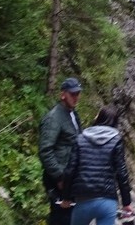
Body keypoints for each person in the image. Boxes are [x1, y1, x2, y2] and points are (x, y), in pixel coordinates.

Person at [63, 105, 134, 225]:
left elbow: (70, 170)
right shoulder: (116, 140)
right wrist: (126, 203)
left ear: (99, 118)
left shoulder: (80, 138)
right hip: (107, 201)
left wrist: (66, 197)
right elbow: (122, 173)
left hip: (83, 199)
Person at [40, 77, 84, 225]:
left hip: (71, 177)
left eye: (78, 93)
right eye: (72, 94)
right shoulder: (54, 118)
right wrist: (59, 177)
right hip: (59, 179)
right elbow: (45, 151)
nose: (76, 97)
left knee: (70, 217)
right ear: (63, 94)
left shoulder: (73, 114)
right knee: (61, 217)